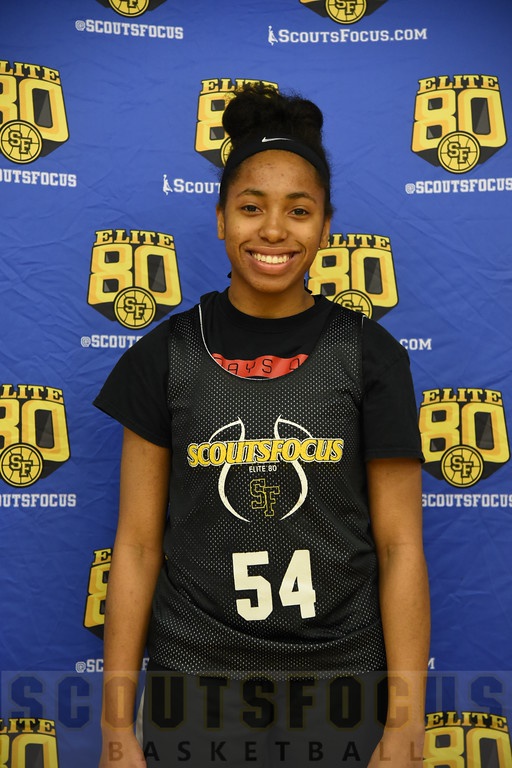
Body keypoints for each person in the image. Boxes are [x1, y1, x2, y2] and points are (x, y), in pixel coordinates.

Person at [95, 84, 429, 767]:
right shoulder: (165, 356)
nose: (274, 231)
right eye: (251, 208)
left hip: (342, 683)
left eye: (298, 211)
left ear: (325, 227)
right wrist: (116, 724)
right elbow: (136, 546)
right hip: (196, 685)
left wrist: (405, 722)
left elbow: (400, 547)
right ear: (221, 218)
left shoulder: (370, 355)